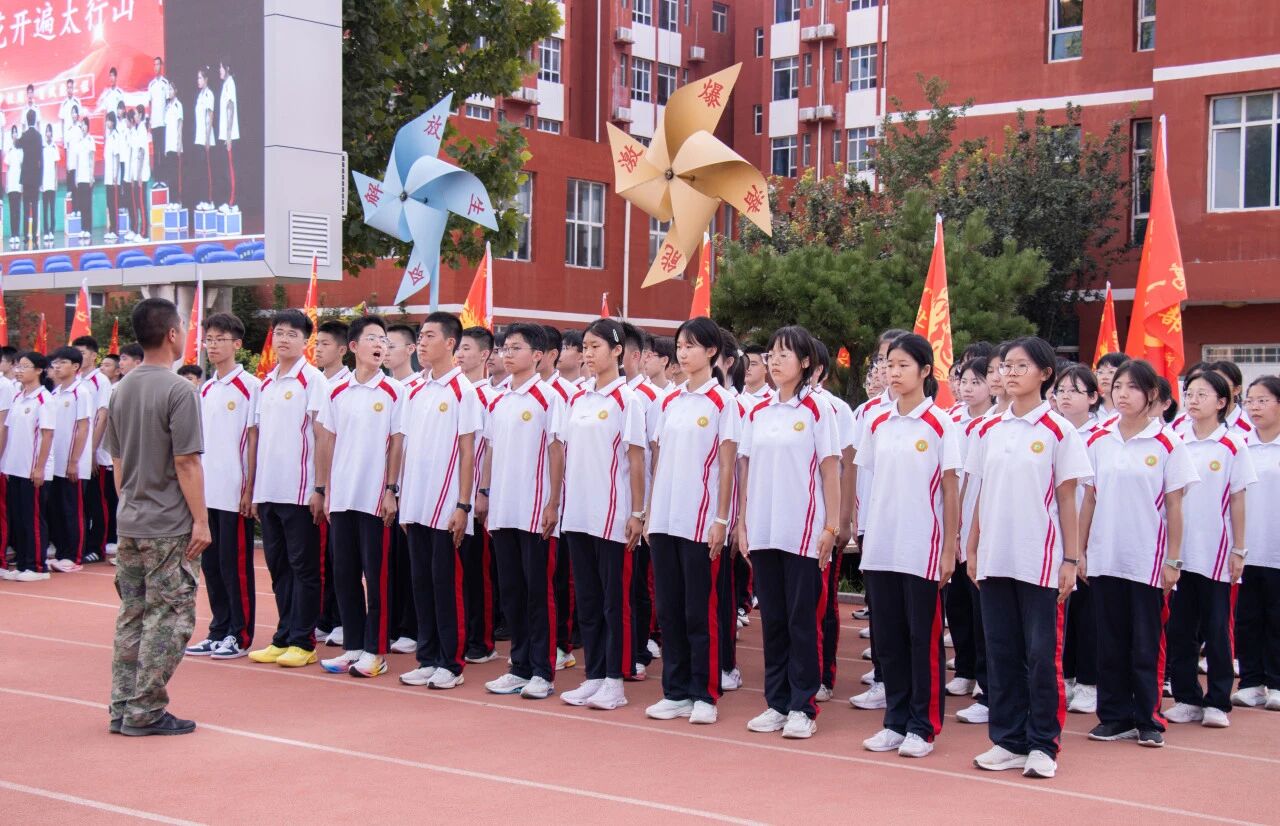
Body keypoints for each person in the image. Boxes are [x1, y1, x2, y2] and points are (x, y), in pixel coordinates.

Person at [966, 337, 1090, 779]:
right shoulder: (987, 430)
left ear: (1045, 374)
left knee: (1041, 657)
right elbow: (980, 492)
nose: (1011, 373)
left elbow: (1068, 498)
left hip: (1040, 561)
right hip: (995, 558)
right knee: (1002, 653)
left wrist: (1071, 559)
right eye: (1007, 366)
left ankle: (1042, 744)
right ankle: (1008, 740)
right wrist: (972, 548)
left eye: (1022, 366)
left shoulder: (1059, 431)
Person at [104, 297, 211, 736]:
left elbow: (117, 462)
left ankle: (122, 706)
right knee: (169, 618)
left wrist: (130, 503)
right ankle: (145, 709)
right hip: (168, 524)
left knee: (133, 615)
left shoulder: (121, 388)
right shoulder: (179, 390)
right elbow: (186, 462)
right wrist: (201, 520)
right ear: (171, 334)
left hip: (131, 519)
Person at [1081, 359, 1198, 749]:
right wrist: (1079, 551)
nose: (1122, 394)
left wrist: (1173, 560)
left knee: (1146, 642)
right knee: (1109, 640)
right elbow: (1089, 499)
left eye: (1132, 387)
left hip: (1148, 559)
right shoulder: (1098, 439)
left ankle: (1148, 717)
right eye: (1117, 387)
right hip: (1105, 556)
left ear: (1152, 395)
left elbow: (1175, 506)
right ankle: (1114, 716)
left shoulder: (1167, 443)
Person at [856, 333, 961, 758]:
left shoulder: (941, 423)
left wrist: (949, 548)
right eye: (889, 364)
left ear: (925, 371)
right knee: (890, 639)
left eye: (902, 365)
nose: (893, 373)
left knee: (923, 640)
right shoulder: (876, 421)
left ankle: (923, 726)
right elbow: (867, 479)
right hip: (882, 545)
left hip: (922, 548)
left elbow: (951, 489)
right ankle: (895, 722)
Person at [738, 326, 841, 739]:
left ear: (805, 362)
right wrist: (743, 523)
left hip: (803, 532)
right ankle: (777, 703)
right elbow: (747, 471)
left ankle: (803, 707)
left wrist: (832, 526)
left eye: (785, 354)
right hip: (764, 530)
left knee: (802, 622)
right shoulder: (757, 411)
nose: (775, 361)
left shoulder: (818, 409)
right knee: (774, 621)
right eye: (771, 354)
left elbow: (830, 470)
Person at [644, 317, 740, 725]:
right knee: (669, 609)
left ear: (712, 352)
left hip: (700, 521)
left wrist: (722, 519)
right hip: (665, 519)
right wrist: (650, 512)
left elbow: (728, 464)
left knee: (700, 611)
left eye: (691, 346)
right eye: (680, 346)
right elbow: (660, 459)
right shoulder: (669, 400)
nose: (682, 353)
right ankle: (676, 691)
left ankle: (705, 693)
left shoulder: (723, 402)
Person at [556, 318, 647, 711]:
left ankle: (615, 680)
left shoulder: (628, 400)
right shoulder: (578, 397)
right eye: (585, 347)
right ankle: (594, 675)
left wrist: (638, 512)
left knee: (615, 602)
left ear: (617, 351)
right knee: (588, 599)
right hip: (578, 513)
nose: (589, 354)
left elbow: (637, 460)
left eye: (596, 347)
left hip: (612, 516)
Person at [315, 316, 405, 678]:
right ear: (353, 347)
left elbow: (398, 442)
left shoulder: (394, 391)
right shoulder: (336, 391)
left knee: (377, 578)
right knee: (345, 575)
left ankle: (375, 651)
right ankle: (352, 646)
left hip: (374, 499)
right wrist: (324, 490)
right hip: (342, 498)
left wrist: (391, 489)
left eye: (384, 339)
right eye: (372, 338)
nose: (380, 345)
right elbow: (327, 440)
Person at [478, 323, 565, 700]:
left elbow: (557, 451)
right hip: (503, 508)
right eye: (504, 348)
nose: (507, 354)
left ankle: (542, 671)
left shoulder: (549, 397)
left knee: (537, 592)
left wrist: (553, 502)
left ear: (538, 355)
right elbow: (490, 449)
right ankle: (519, 666)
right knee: (511, 591)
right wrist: (483, 493)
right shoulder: (497, 399)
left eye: (516, 348)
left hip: (535, 510)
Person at [395, 312, 481, 690]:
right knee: (421, 583)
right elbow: (406, 446)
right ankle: (427, 657)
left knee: (446, 585)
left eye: (430, 336)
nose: (422, 342)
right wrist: (400, 496)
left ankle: (451, 663)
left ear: (450, 343)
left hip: (446, 507)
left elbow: (468, 451)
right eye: (420, 336)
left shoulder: (464, 391)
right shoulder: (414, 390)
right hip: (416, 504)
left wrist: (463, 505)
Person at [1164, 370, 1255, 728]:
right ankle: (1187, 697)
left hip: (1215, 551)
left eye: (1202, 394)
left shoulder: (1232, 445)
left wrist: (1239, 549)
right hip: (1177, 551)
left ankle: (1218, 701)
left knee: (1217, 628)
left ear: (1222, 402)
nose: (1193, 400)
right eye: (1190, 393)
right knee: (1180, 628)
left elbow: (1238, 499)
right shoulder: (1174, 438)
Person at [246, 310, 328, 668]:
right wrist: (253, 490)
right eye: (279, 332)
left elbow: (323, 436)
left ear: (305, 341)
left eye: (292, 334)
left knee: (303, 567)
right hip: (269, 490)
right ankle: (283, 636)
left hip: (300, 491)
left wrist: (320, 488)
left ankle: (303, 641)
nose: (284, 339)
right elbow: (258, 438)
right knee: (278, 567)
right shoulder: (265, 383)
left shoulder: (313, 380)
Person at [184, 314, 260, 660]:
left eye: (220, 339)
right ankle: (218, 630)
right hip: (207, 492)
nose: (212, 346)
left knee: (235, 565)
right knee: (211, 565)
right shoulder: (206, 389)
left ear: (237, 344)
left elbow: (253, 441)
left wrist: (249, 489)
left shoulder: (250, 387)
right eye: (209, 340)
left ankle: (239, 635)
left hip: (234, 492)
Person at [1052, 364, 1102, 715]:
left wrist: (1081, 547)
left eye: (1075, 390)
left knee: (1087, 614)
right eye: (1061, 390)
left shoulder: (1101, 436)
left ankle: (1088, 682)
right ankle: (1067, 677)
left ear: (1094, 397)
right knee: (1060, 611)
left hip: (1090, 536)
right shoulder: (1053, 431)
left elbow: (1092, 495)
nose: (1066, 396)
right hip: (1057, 532)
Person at [810, 342, 857, 704]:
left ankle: (824, 674)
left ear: (819, 371)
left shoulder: (836, 409)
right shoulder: (771, 408)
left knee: (823, 603)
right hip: (790, 523)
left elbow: (846, 465)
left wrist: (842, 519)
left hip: (824, 522)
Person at [457, 326, 502, 664]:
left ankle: (481, 640)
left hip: (477, 499)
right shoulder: (453, 392)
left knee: (477, 572)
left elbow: (488, 449)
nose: (459, 354)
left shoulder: (491, 396)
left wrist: (482, 492)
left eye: (467, 348)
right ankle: (458, 636)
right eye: (458, 347)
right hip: (451, 496)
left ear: (485, 354)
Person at [1236, 376, 1280, 711]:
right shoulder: (1240, 445)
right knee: (1248, 618)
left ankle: (1277, 683)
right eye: (1250, 401)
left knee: (1277, 618)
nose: (1254, 407)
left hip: (1276, 548)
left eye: (1262, 400)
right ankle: (1251, 681)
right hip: (1248, 548)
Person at [313, 319, 351, 647]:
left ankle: (340, 620)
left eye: (325, 344)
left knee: (340, 559)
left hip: (341, 485)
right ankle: (324, 618)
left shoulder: (346, 385)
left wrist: (323, 485)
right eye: (316, 343)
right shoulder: (317, 382)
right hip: (321, 483)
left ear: (342, 349)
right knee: (321, 558)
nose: (318, 349)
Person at [382, 324, 419, 656]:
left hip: (409, 488)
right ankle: (391, 624)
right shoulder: (382, 388)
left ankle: (410, 627)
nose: (385, 350)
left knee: (408, 562)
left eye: (391, 345)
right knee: (386, 562)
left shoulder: (415, 388)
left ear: (410, 349)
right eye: (382, 344)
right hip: (382, 490)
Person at [1, 353, 54, 581]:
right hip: (15, 468)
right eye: (18, 366)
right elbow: (10, 432)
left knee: (33, 518)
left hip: (33, 470)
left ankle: (38, 567)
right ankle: (23, 564)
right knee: (19, 517)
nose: (19, 371)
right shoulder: (18, 397)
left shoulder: (44, 399)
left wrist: (40, 467)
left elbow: (47, 434)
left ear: (39, 370)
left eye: (25, 366)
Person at [46, 346, 93, 573]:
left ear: (75, 367)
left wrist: (74, 461)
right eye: (55, 362)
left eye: (62, 362)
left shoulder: (80, 392)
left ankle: (75, 556)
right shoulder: (55, 393)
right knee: (57, 510)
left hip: (73, 464)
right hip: (55, 463)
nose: (57, 366)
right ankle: (62, 552)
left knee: (72, 510)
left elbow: (83, 427)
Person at [74, 336, 112, 564]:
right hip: (78, 454)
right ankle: (81, 545)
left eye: (83, 353)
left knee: (98, 502)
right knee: (82, 503)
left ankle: (97, 547)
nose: (79, 357)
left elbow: (102, 416)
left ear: (94, 356)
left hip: (96, 455)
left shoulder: (100, 381)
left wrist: (92, 451)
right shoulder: (76, 380)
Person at [18, 110, 42, 246]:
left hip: (26, 178)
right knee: (35, 207)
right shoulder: (38, 136)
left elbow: (17, 144)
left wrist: (21, 130)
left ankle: (26, 237)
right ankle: (34, 236)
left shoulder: (25, 135)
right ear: (35, 119)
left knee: (26, 208)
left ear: (27, 120)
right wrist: (40, 179)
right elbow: (41, 159)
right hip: (35, 178)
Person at [148, 57, 172, 187]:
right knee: (155, 151)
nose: (156, 67)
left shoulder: (165, 83)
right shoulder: (151, 85)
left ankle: (163, 179)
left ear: (161, 66)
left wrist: (167, 120)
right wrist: (149, 122)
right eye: (154, 65)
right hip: (154, 124)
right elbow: (150, 104)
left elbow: (168, 102)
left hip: (163, 123)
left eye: (158, 64)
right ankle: (156, 179)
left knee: (162, 152)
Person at [218, 58, 239, 208]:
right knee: (225, 170)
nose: (219, 70)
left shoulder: (230, 83)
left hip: (230, 135)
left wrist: (229, 135)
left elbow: (231, 108)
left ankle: (232, 202)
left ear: (227, 68)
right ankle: (228, 201)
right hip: (225, 135)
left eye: (221, 67)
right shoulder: (225, 84)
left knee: (231, 170)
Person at [195, 67, 216, 205]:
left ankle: (210, 200)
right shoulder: (200, 96)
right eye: (197, 78)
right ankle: (203, 199)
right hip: (199, 138)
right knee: (201, 171)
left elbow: (210, 117)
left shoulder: (209, 95)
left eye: (200, 78)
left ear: (206, 79)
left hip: (207, 140)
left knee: (208, 171)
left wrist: (207, 138)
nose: (198, 80)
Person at [1093, 352, 1129, 426]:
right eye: (1100, 372)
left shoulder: (1131, 406)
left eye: (1111, 372)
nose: (1104, 377)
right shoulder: (1091, 405)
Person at [103, 112, 123, 241]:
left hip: (114, 177)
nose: (107, 123)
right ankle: (111, 229)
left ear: (113, 122)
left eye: (109, 120)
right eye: (106, 120)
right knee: (109, 204)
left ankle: (115, 230)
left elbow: (117, 156)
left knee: (114, 204)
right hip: (108, 176)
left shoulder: (116, 136)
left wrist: (116, 175)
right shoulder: (109, 136)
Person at [163, 82, 184, 204]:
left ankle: (177, 201)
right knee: (170, 175)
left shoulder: (178, 105)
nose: (169, 92)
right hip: (169, 145)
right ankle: (171, 201)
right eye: (168, 89)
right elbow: (167, 127)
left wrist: (179, 143)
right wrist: (166, 147)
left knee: (176, 175)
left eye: (171, 89)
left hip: (176, 145)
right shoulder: (167, 107)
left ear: (175, 91)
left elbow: (180, 125)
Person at [738, 344, 772, 410]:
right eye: (745, 363)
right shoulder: (735, 395)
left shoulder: (773, 399)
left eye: (753, 364)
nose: (747, 368)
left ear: (766, 368)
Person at [40, 124, 58, 242]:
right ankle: (46, 231)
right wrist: (40, 182)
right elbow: (40, 166)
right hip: (44, 181)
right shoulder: (42, 147)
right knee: (45, 208)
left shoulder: (54, 147)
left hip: (52, 181)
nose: (48, 134)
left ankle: (52, 231)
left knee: (52, 208)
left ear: (51, 133)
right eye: (46, 131)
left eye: (49, 131)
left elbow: (56, 165)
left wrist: (56, 181)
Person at [6, 125, 23, 244]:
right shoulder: (9, 150)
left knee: (18, 210)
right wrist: (7, 184)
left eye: (16, 132)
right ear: (11, 135)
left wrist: (22, 183)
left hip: (18, 184)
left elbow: (22, 168)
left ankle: (17, 234)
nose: (15, 134)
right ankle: (13, 234)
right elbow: (7, 168)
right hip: (11, 184)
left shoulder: (21, 150)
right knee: (12, 211)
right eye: (13, 132)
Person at [58, 78, 82, 148]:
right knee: (68, 154)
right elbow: (62, 122)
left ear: (73, 88)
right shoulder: (64, 103)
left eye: (71, 87)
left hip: (76, 135)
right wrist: (63, 137)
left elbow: (80, 119)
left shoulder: (77, 102)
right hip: (67, 135)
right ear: (66, 89)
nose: (69, 90)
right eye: (68, 88)